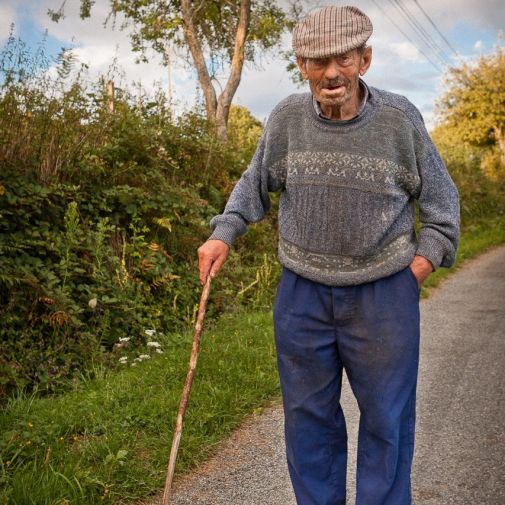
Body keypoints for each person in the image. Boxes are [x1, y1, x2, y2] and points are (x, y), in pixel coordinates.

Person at [197, 5, 460, 505]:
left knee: (387, 421)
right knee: (307, 421)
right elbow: (254, 186)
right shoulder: (286, 119)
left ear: (365, 59)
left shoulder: (400, 119)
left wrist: (417, 269)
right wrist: (222, 234)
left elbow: (443, 206)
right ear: (301, 65)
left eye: (342, 59)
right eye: (317, 62)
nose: (331, 73)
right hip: (303, 297)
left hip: (384, 296)